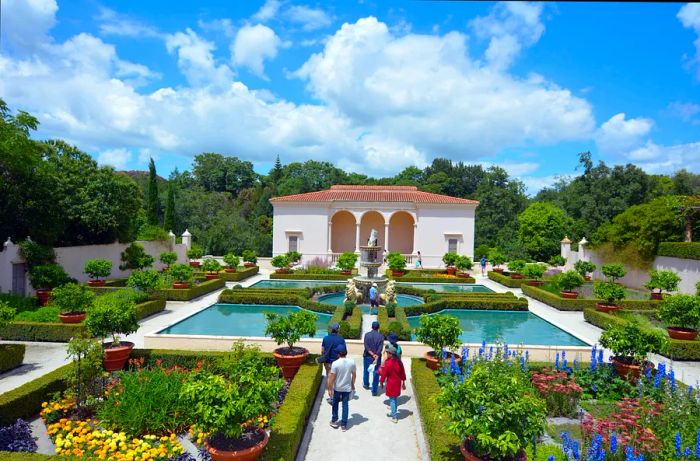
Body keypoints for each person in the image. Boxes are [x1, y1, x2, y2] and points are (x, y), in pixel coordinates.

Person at [327, 344, 356, 432]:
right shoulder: (352, 362)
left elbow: (332, 377)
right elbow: (354, 375)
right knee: (345, 405)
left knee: (335, 404)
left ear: (338, 354)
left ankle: (334, 420)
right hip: (347, 388)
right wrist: (352, 384)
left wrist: (329, 388)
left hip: (338, 388)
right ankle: (344, 424)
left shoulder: (335, 364)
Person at [379, 344, 406, 424]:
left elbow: (384, 374)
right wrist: (403, 382)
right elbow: (403, 373)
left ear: (391, 354)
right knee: (395, 399)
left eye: (388, 353)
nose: (387, 354)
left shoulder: (388, 363)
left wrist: (381, 381)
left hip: (391, 383)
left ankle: (394, 417)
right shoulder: (399, 362)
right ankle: (393, 412)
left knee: (392, 400)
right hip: (397, 383)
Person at [363, 320, 384, 396]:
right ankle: (374, 391)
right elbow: (380, 348)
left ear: (372, 327)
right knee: (376, 373)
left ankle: (366, 384)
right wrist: (376, 356)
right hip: (377, 358)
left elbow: (366, 346)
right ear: (378, 328)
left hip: (367, 356)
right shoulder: (381, 336)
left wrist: (372, 354)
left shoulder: (367, 335)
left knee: (366, 371)